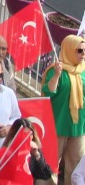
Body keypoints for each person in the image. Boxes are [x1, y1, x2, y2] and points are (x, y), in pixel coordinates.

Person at [44, 35, 85, 183]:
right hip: (58, 125)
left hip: (78, 127)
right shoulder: (56, 70)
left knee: (75, 167)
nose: (83, 54)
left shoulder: (83, 70)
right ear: (69, 50)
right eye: (79, 50)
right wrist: (56, 75)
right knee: (51, 165)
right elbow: (48, 92)